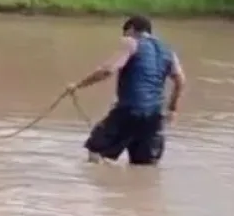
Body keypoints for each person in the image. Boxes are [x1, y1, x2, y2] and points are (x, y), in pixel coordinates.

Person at [65, 14, 186, 166]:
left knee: (96, 149)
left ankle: (100, 186)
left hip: (129, 109)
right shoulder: (168, 51)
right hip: (155, 115)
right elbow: (180, 81)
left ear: (131, 29)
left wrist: (78, 85)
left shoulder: (131, 42)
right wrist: (172, 109)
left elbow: (108, 70)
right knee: (144, 165)